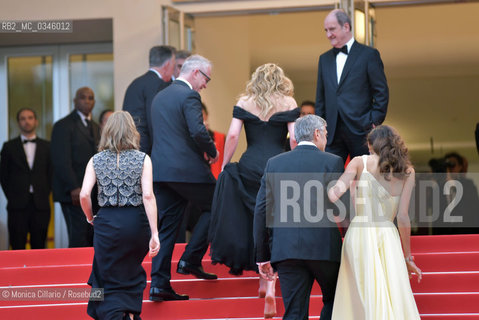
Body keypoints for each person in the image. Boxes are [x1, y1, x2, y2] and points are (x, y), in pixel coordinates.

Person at [209, 63, 299, 318]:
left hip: (249, 166)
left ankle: (261, 276)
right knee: (276, 222)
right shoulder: (288, 101)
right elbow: (293, 138)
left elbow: (234, 136)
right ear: (280, 79)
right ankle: (270, 283)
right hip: (278, 165)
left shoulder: (246, 102)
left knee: (253, 219)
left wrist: (225, 164)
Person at [254, 115, 344, 320]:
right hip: (325, 249)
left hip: (286, 251)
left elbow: (261, 209)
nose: (326, 140)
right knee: (334, 301)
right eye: (326, 135)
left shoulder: (274, 163)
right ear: (317, 134)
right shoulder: (333, 162)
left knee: (294, 312)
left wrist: (263, 255)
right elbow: (343, 207)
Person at [327, 125, 422, 319]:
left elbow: (334, 194)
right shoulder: (407, 171)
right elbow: (403, 216)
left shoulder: (359, 162)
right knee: (391, 291)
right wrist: (408, 257)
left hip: (360, 232)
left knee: (361, 291)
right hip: (388, 235)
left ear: (372, 144)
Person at [149, 54, 218, 302]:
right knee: (218, 204)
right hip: (186, 171)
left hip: (161, 172)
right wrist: (212, 151)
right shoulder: (189, 95)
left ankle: (159, 284)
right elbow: (198, 131)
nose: (205, 85)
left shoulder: (161, 95)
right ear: (196, 72)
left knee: (168, 227)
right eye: (206, 78)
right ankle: (190, 258)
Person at [80, 111, 159, 320]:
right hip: (135, 223)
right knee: (130, 270)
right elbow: (148, 196)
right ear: (132, 131)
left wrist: (90, 217)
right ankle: (129, 313)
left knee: (105, 273)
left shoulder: (95, 160)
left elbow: (84, 194)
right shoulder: (143, 159)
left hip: (106, 221)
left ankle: (114, 314)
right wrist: (155, 233)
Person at [315, 9, 389, 163]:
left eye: (332, 29)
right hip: (332, 133)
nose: (328, 34)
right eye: (326, 30)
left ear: (346, 27)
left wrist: (372, 122)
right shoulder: (324, 59)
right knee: (329, 179)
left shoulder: (368, 55)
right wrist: (320, 127)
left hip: (362, 130)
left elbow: (381, 92)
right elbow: (320, 98)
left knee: (365, 178)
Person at [51, 87, 100, 247]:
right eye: (82, 97)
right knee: (78, 235)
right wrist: (74, 187)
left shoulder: (95, 126)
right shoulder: (63, 126)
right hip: (73, 193)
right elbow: (61, 160)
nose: (87, 101)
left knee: (91, 235)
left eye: (90, 98)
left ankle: (91, 270)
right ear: (75, 101)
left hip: (93, 192)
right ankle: (76, 271)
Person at [0, 108, 52, 250]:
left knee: (39, 246)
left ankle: (39, 273)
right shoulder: (8, 147)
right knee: (17, 245)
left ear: (36, 121)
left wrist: (44, 192)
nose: (26, 121)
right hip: (17, 205)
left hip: (40, 205)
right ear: (18, 123)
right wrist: (12, 195)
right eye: (23, 118)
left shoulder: (47, 147)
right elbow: (3, 176)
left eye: (30, 118)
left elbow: (51, 173)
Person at [122, 45, 176, 154]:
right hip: (147, 149)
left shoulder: (135, 83)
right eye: (174, 66)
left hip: (129, 145)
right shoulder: (159, 85)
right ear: (167, 65)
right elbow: (155, 119)